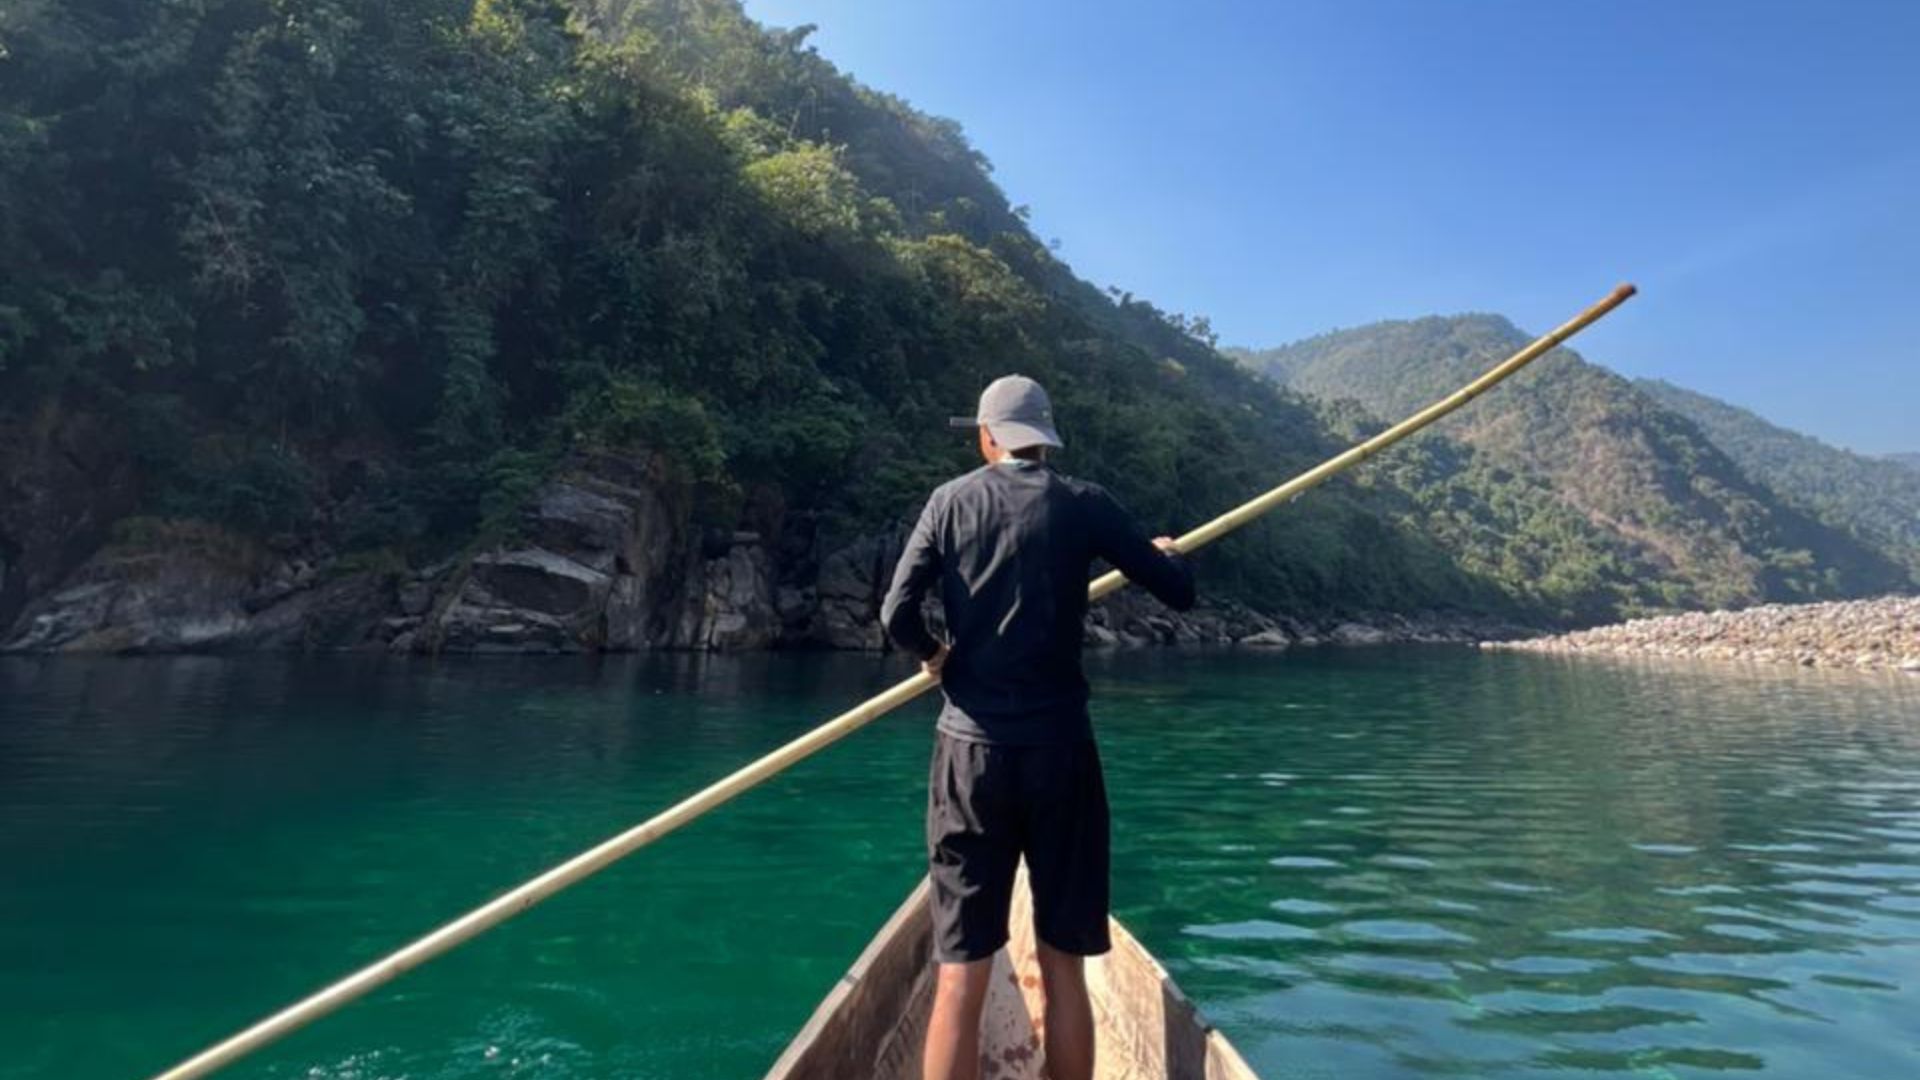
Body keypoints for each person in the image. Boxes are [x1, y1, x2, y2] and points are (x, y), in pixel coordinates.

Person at [880, 374, 1196, 1080]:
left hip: (970, 757)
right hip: (1061, 757)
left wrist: (936, 656)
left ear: (989, 438)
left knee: (961, 970)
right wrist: (1166, 552)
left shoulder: (950, 502)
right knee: (1063, 963)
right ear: (1045, 442)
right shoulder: (1085, 505)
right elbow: (1178, 590)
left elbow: (895, 615)